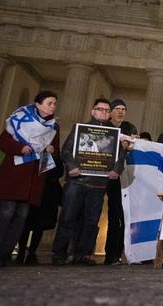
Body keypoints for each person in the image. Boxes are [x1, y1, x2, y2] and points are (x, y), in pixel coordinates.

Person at [0, 91, 60, 267]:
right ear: (38, 104)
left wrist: (51, 149)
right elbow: (1, 142)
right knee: (4, 215)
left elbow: (55, 152)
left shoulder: (54, 127)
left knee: (21, 218)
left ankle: (5, 254)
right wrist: (20, 148)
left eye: (54, 103)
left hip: (33, 179)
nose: (53, 106)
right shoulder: (19, 120)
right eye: (50, 103)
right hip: (13, 175)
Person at [51, 98, 124, 265]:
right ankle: (59, 254)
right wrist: (72, 166)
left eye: (107, 110)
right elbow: (66, 151)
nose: (104, 112)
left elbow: (120, 157)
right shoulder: (79, 129)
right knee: (68, 218)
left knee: (91, 221)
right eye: (100, 109)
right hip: (77, 181)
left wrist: (116, 170)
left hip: (99, 184)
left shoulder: (114, 134)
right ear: (93, 111)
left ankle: (83, 254)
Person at [104, 98, 138, 266]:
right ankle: (102, 254)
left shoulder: (129, 128)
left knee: (120, 217)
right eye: (117, 108)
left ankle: (116, 254)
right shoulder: (104, 127)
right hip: (104, 176)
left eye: (123, 108)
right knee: (104, 215)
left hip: (123, 177)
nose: (120, 111)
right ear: (110, 112)